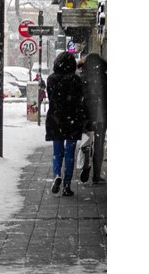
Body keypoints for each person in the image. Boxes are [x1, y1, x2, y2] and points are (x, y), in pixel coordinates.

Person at [46, 52, 87, 197]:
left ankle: (57, 174)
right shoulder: (76, 80)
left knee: (57, 153)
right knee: (70, 154)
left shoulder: (51, 79)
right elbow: (80, 100)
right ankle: (67, 186)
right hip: (72, 120)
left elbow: (51, 98)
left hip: (56, 119)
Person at [81, 53, 107, 184]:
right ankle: (96, 175)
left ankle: (85, 166)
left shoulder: (83, 77)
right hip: (101, 117)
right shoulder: (104, 77)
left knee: (86, 144)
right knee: (98, 146)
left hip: (87, 117)